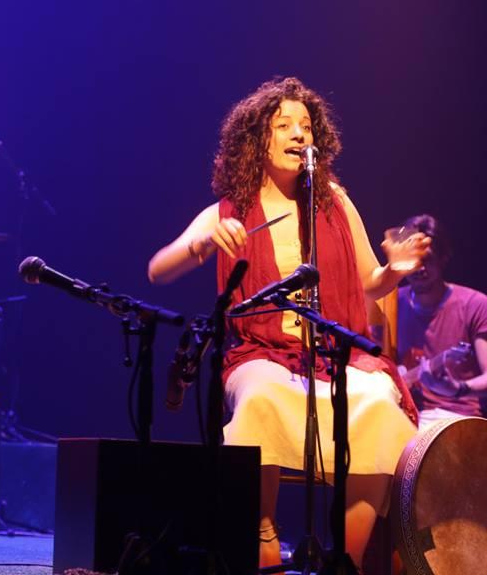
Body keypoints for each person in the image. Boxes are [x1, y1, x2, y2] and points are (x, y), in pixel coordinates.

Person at [147, 77, 429, 569]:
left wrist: (394, 271)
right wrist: (205, 242)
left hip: (334, 356)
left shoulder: (335, 203)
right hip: (259, 353)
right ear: (258, 138)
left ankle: (346, 558)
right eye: (284, 125)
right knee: (261, 397)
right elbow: (158, 270)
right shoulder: (230, 211)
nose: (299, 134)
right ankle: (264, 537)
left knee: (380, 407)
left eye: (306, 126)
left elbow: (369, 282)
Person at [392, 214, 487, 429]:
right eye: (412, 259)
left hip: (454, 416)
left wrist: (458, 388)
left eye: (426, 259)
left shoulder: (475, 304)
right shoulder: (391, 304)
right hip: (402, 413)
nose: (419, 268)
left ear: (443, 258)